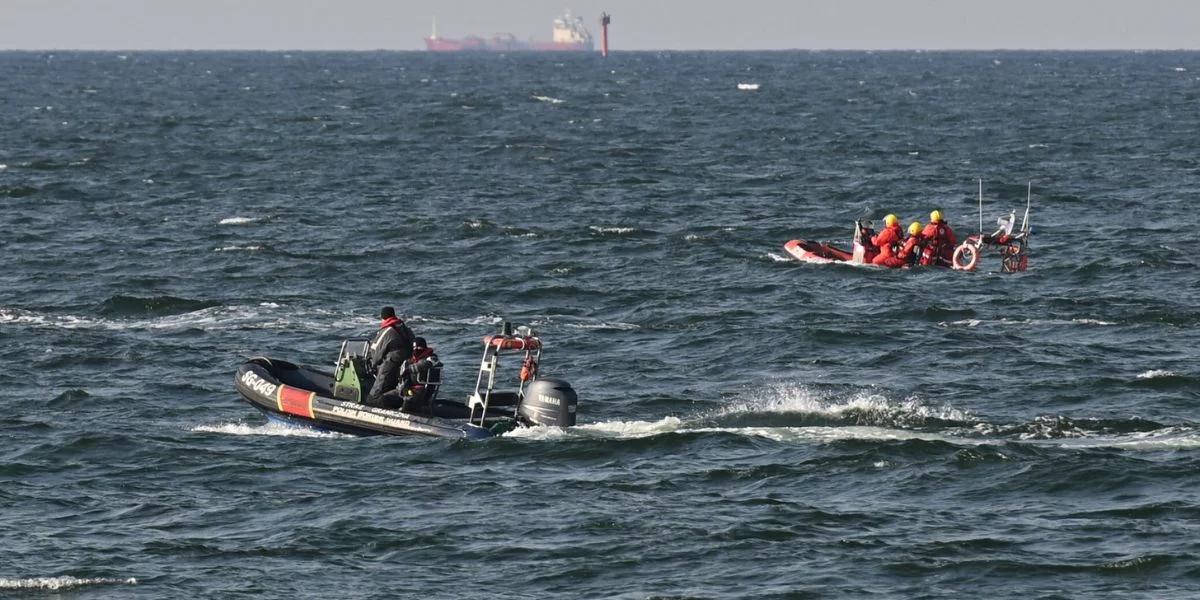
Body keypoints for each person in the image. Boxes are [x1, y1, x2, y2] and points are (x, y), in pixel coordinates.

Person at [365, 306, 415, 407]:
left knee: (373, 398)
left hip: (391, 364)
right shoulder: (405, 329)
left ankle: (385, 405)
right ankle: (400, 402)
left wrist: (372, 364)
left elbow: (376, 351)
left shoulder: (387, 331)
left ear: (383, 317)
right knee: (392, 386)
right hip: (405, 365)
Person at [398, 337, 442, 414]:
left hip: (422, 389)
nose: (416, 349)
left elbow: (427, 363)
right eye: (414, 347)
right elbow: (402, 375)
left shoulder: (432, 357)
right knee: (386, 398)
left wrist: (410, 369)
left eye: (418, 347)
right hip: (408, 389)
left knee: (407, 404)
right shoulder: (410, 360)